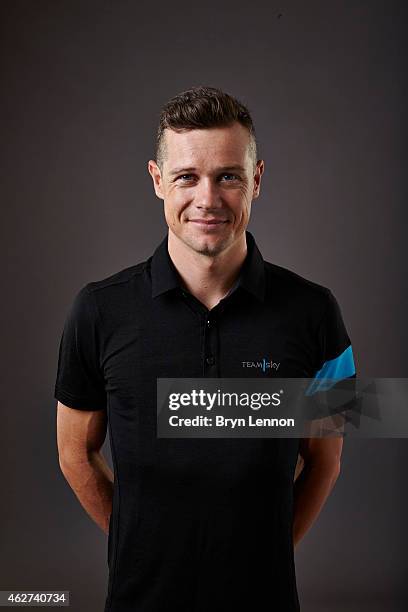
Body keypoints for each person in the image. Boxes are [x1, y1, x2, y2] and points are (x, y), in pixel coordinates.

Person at [55, 86, 356, 612]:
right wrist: (137, 546)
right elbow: (74, 453)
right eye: (186, 177)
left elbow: (325, 462)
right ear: (156, 181)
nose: (208, 199)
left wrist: (267, 554)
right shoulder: (97, 311)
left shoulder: (316, 313)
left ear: (257, 180)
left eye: (229, 177)